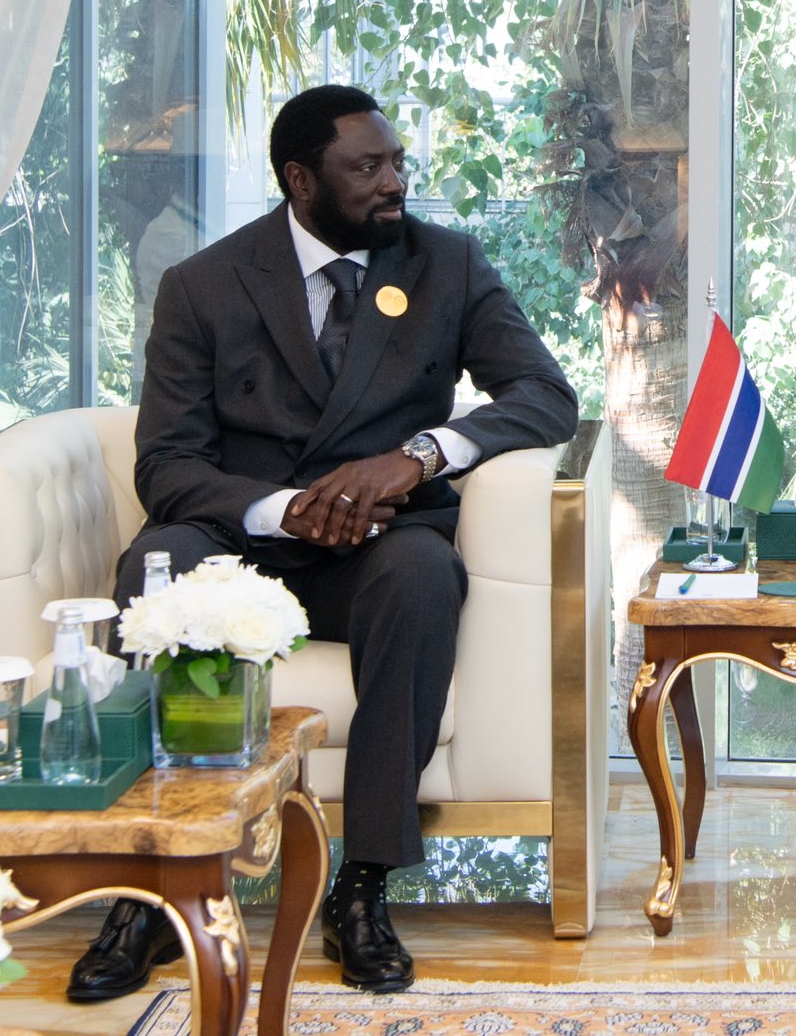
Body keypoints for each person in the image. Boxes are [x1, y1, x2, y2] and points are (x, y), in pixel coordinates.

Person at [66, 85, 579, 1001]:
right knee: (155, 564)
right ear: (300, 180)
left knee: (426, 572)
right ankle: (144, 885)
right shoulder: (204, 285)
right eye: (369, 167)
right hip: (242, 541)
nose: (395, 182)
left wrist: (418, 457)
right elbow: (167, 463)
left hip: (376, 549)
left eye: (397, 163)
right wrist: (284, 507)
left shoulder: (446, 264)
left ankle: (364, 884)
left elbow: (543, 394)